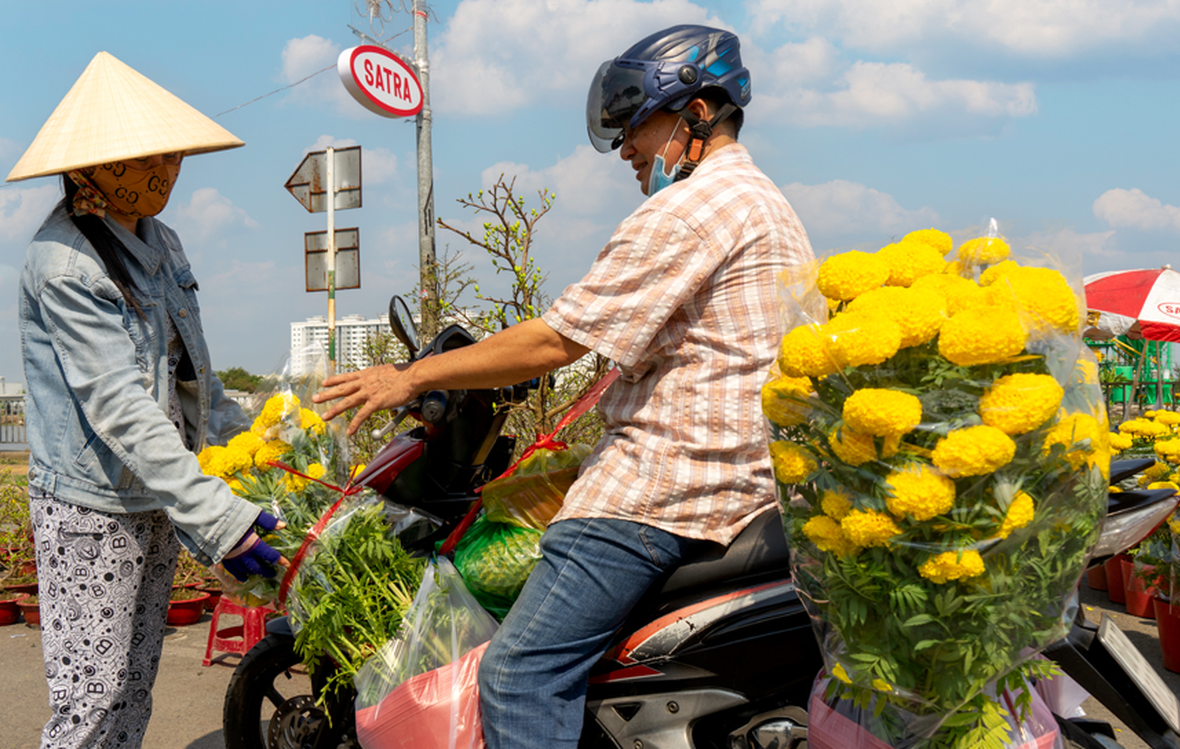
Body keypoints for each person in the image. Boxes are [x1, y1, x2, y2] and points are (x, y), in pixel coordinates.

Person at [315, 24, 814, 748]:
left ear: (696, 117)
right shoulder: (767, 203)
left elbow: (555, 339)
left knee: (520, 674)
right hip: (740, 478)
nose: (626, 151)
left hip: (661, 492)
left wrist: (410, 376)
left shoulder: (692, 208)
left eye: (636, 128)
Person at [7, 51, 286, 748]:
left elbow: (194, 378)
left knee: (133, 688)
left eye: (171, 156)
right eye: (141, 159)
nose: (162, 172)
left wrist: (256, 460)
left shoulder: (162, 243)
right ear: (90, 167)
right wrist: (220, 516)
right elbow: (120, 407)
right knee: (91, 700)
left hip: (158, 496)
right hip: (91, 508)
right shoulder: (64, 261)